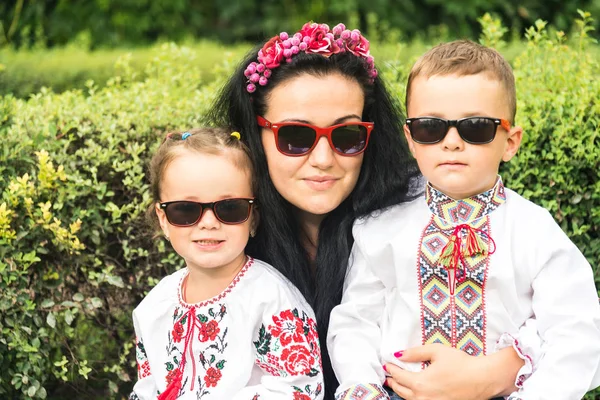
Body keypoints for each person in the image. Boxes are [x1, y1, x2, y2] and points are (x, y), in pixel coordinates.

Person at [209, 22, 541, 400]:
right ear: (257, 135)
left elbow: (567, 317)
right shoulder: (220, 229)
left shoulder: (430, 209)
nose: (322, 160)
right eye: (295, 137)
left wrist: (499, 371)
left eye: (347, 136)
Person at [327, 39, 600, 400]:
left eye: (476, 127)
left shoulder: (534, 231)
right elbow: (356, 321)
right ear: (410, 138)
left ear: (511, 141)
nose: (452, 142)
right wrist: (362, 386)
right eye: (430, 127)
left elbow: (577, 333)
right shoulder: (381, 228)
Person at [130, 128, 324, 399]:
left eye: (230, 208)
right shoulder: (154, 306)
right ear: (163, 219)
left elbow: (301, 388)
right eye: (185, 209)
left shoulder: (270, 298)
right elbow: (148, 386)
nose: (209, 223)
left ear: (253, 218)